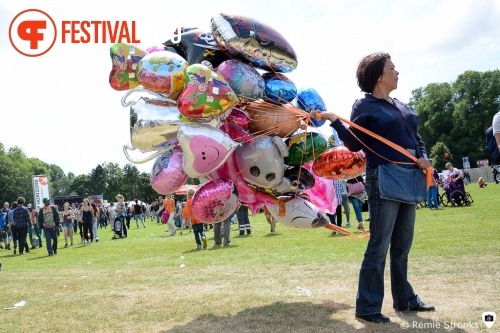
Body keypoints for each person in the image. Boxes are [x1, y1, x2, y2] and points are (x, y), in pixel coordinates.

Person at [312, 52, 434, 323]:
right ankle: (367, 307)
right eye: (393, 68)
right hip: (384, 178)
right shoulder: (364, 106)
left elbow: (417, 138)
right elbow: (354, 144)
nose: (397, 72)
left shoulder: (401, 105)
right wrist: (334, 120)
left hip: (410, 176)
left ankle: (405, 300)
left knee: (402, 245)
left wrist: (424, 157)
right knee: (379, 246)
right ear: (379, 75)